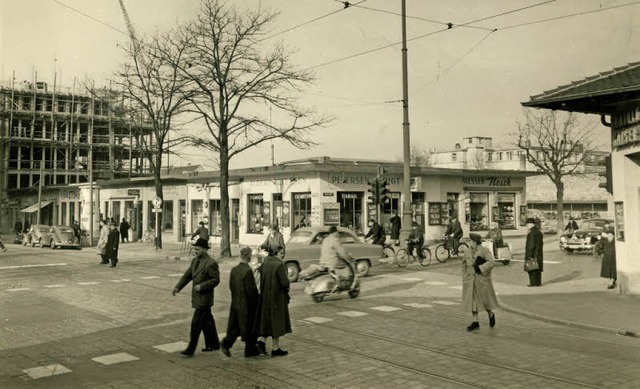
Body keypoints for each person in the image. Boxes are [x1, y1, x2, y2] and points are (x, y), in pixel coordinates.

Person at [172, 238, 221, 356]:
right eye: (194, 249)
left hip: (204, 298)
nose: (195, 251)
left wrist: (202, 286)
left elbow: (215, 280)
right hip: (197, 297)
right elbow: (187, 276)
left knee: (196, 324)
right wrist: (178, 287)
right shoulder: (194, 261)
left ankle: (191, 348)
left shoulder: (211, 263)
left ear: (205, 249)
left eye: (198, 249)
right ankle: (214, 344)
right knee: (207, 322)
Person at [221, 247, 260, 358]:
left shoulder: (234, 269)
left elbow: (231, 286)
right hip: (247, 304)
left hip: (236, 302)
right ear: (248, 256)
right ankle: (250, 349)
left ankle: (226, 343)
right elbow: (251, 290)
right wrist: (257, 298)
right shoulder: (247, 271)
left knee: (236, 326)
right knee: (249, 326)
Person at [254, 247, 292, 357]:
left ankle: (262, 341)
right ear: (275, 253)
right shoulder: (279, 265)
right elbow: (285, 283)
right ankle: (275, 348)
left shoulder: (265, 262)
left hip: (265, 296)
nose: (282, 255)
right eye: (281, 253)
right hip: (277, 297)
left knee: (266, 320)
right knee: (277, 322)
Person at [461, 233, 498, 331]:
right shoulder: (467, 251)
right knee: (473, 301)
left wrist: (480, 268)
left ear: (475, 242)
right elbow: (463, 264)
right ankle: (475, 322)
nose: (469, 243)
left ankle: (490, 314)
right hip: (470, 280)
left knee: (485, 300)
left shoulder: (484, 250)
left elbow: (491, 262)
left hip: (481, 280)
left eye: (470, 241)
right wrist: (465, 276)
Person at [524, 217, 544, 287]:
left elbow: (531, 245)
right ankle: (538, 283)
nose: (526, 226)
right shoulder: (538, 232)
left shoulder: (531, 233)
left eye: (527, 224)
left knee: (532, 269)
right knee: (538, 269)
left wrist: (529, 255)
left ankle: (533, 283)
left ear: (530, 224)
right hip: (538, 253)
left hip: (532, 254)